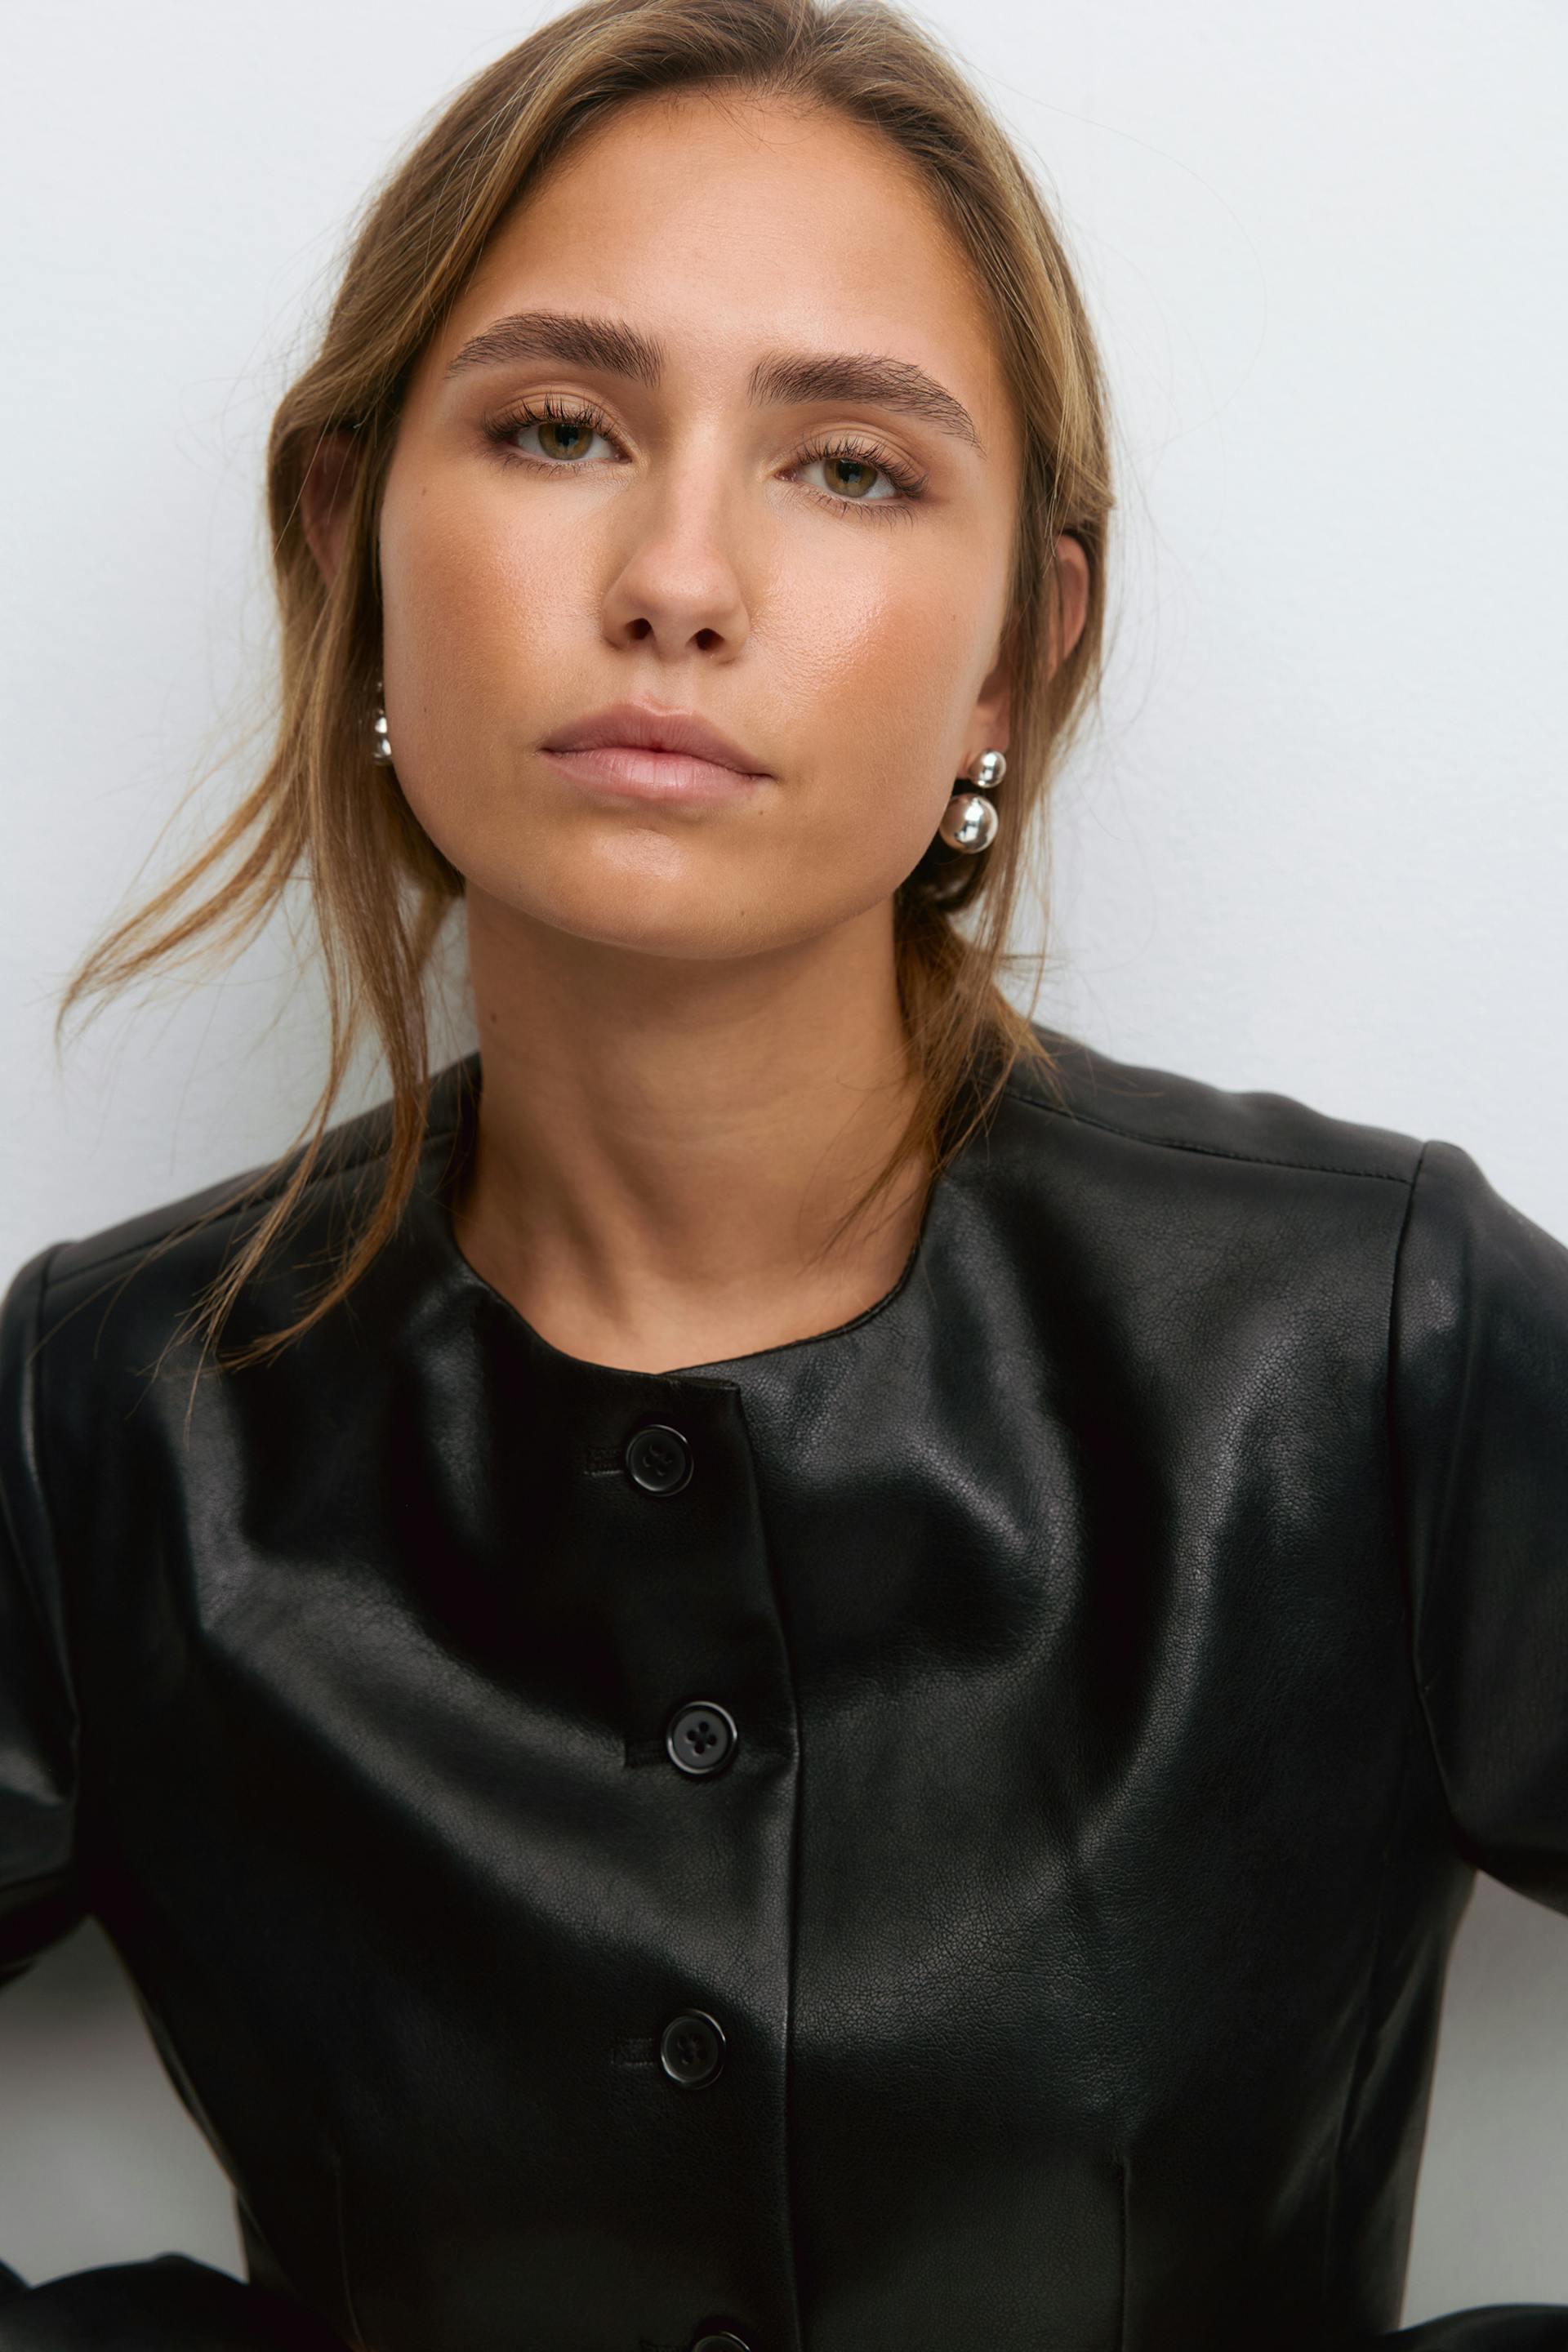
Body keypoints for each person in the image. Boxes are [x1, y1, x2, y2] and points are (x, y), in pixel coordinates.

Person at [2, 1, 1566, 2346]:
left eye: (849, 466)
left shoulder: (1369, 1340)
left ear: (1021, 649)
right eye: (558, 428)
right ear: (348, 542)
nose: (678, 578)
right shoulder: (111, 1417)